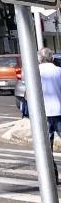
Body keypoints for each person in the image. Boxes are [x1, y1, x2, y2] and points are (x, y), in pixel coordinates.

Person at [37, 47, 61, 184]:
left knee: (46, 148)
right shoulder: (59, 71)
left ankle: (53, 176)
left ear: (40, 59)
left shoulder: (35, 73)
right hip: (60, 111)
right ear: (52, 58)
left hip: (43, 115)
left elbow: (28, 96)